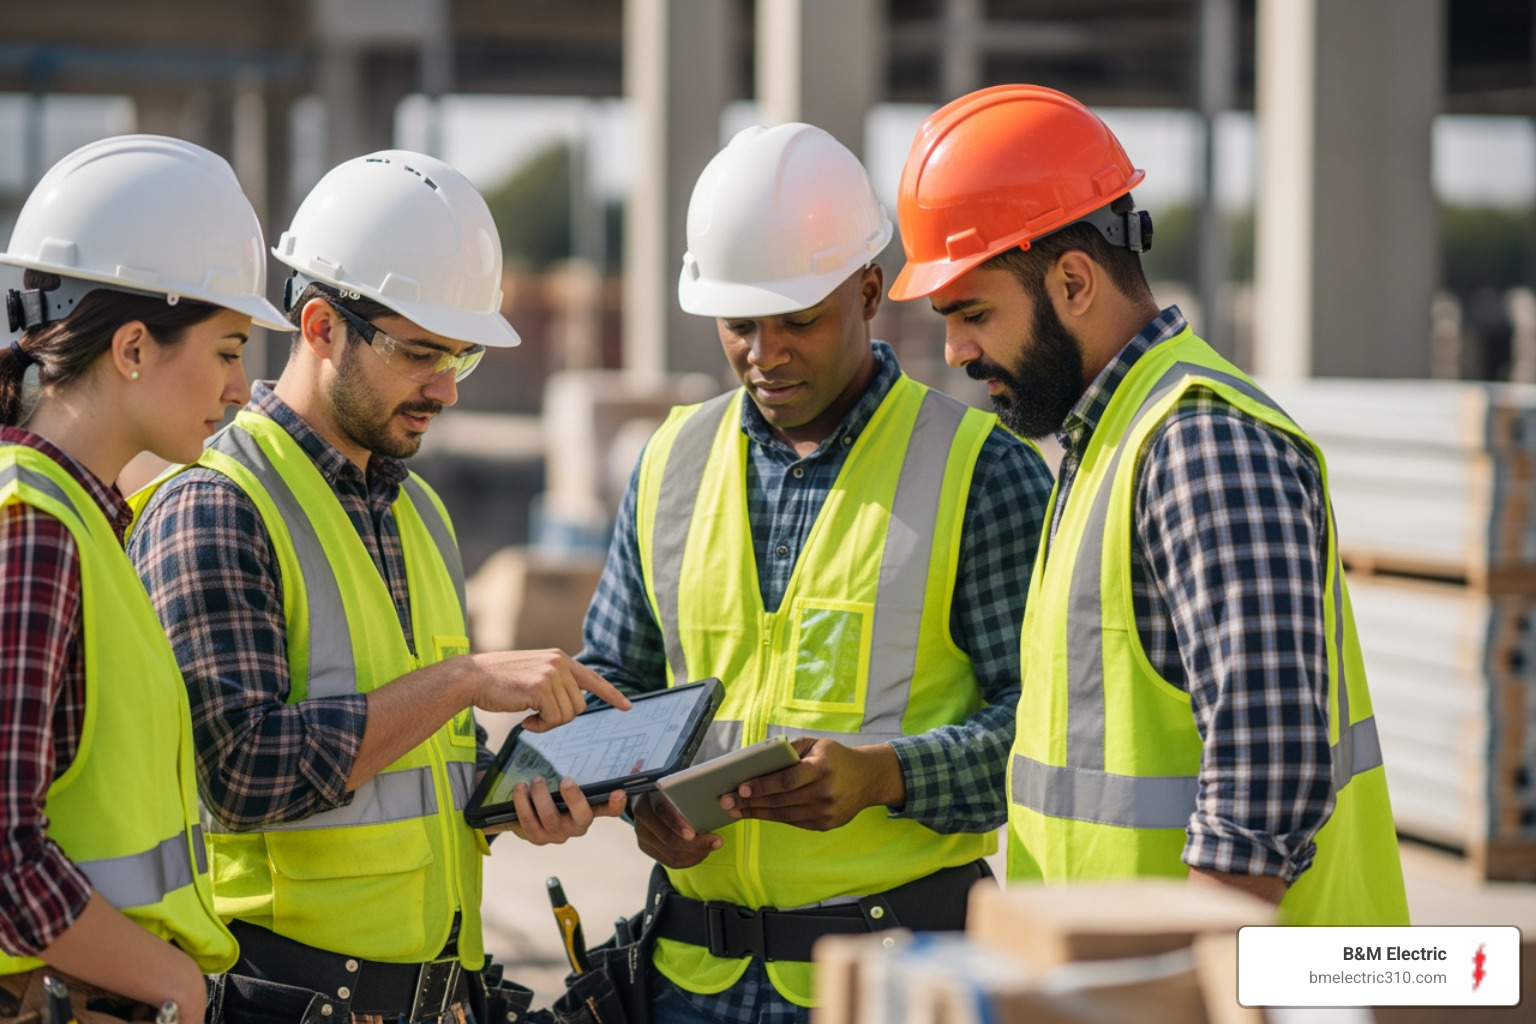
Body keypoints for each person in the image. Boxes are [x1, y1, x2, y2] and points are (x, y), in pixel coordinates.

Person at [129, 151, 631, 1024]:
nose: (445, 390)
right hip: (279, 996)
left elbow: (419, 768)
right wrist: (465, 678)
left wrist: (518, 793)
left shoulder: (418, 512)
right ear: (321, 327)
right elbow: (239, 775)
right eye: (421, 353)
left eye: (462, 357)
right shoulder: (217, 506)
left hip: (434, 997)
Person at [888, 84, 1410, 924]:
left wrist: (1166, 990)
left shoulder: (1200, 445)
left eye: (973, 312)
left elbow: (1266, 785)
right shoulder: (1103, 445)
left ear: (1072, 280)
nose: (955, 351)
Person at [577, 122, 1055, 1023]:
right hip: (687, 976)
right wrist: (638, 800)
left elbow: (1045, 735)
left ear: (871, 290)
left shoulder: (981, 470)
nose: (766, 352)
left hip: (895, 976)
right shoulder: (671, 460)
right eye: (740, 324)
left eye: (798, 319)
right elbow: (618, 687)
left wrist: (888, 776)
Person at [0, 135, 295, 1022]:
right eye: (228, 349)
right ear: (133, 347)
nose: (243, 388)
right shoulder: (36, 530)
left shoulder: (84, 516)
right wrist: (170, 982)